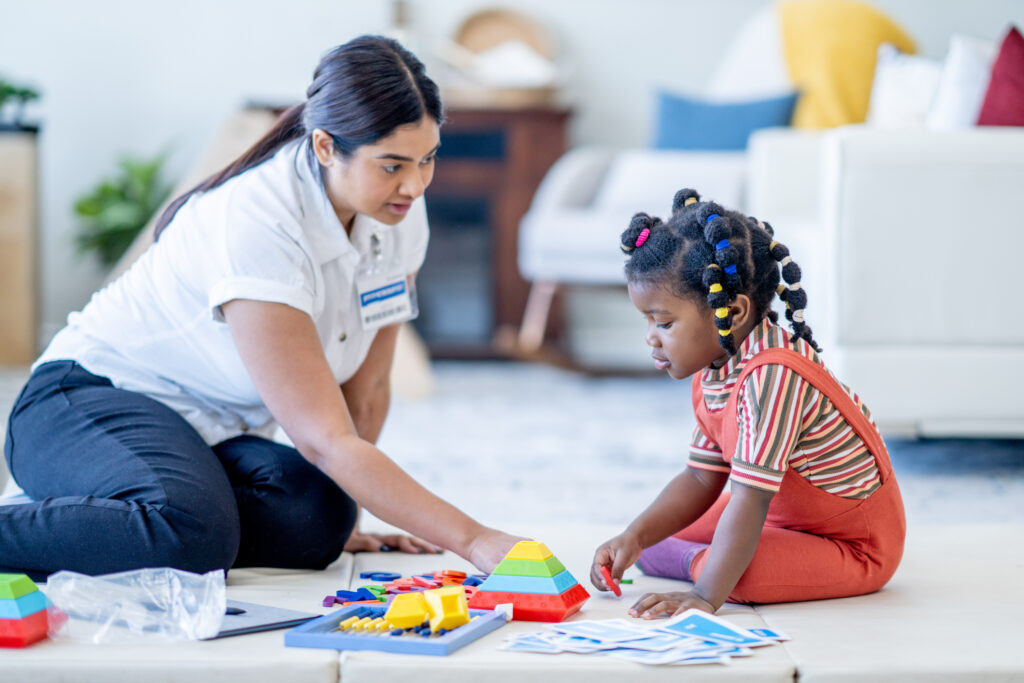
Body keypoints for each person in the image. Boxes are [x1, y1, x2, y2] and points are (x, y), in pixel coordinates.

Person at [2, 36, 520, 580]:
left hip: (203, 430)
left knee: (320, 516)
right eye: (391, 165)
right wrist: (476, 540)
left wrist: (351, 520)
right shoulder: (258, 222)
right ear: (324, 147)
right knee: (193, 538)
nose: (414, 185)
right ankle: (109, 520)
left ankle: (142, 519)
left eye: (427, 159)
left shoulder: (399, 213)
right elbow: (325, 439)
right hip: (83, 403)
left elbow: (365, 392)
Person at [590, 188, 906, 616]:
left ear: (733, 312)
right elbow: (702, 480)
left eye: (664, 322)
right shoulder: (716, 364)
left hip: (851, 544)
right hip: (776, 512)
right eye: (648, 320)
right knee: (652, 544)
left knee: (734, 575)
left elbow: (749, 499)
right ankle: (695, 557)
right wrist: (635, 534)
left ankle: (702, 566)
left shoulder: (772, 376)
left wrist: (703, 596)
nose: (650, 336)